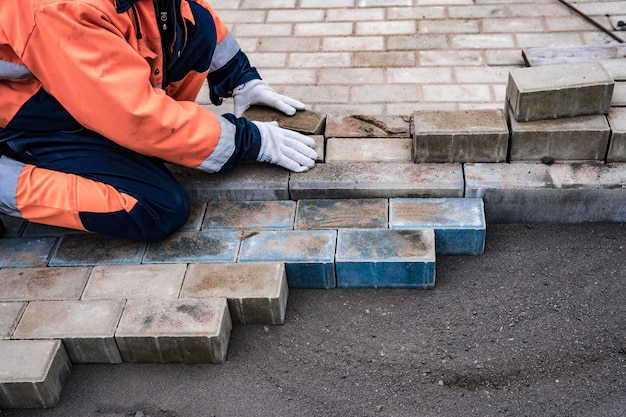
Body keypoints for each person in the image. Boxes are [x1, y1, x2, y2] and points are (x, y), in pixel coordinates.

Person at [0, 0, 316, 241]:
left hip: (76, 84)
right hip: (22, 118)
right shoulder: (61, 8)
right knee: (157, 207)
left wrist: (240, 76)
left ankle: (166, 138)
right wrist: (247, 140)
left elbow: (188, 13)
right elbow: (133, 115)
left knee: (196, 23)